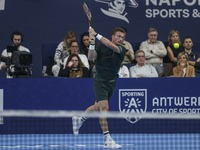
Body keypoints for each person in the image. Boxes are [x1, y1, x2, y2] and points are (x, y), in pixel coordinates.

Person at [72, 27, 127, 149]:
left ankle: (79, 119)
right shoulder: (101, 46)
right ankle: (108, 139)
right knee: (104, 108)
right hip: (100, 82)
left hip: (112, 83)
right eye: (118, 36)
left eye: (122, 37)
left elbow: (109, 44)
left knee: (97, 106)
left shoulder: (122, 49)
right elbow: (91, 57)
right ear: (112, 36)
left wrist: (96, 34)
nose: (121, 39)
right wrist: (92, 43)